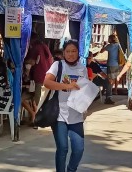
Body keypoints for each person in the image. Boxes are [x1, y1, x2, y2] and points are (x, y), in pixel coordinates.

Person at [44, 40, 87, 172]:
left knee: (79, 149)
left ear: (78, 53)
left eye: (73, 51)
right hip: (59, 115)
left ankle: (71, 170)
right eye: (67, 51)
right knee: (62, 148)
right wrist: (67, 86)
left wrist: (85, 104)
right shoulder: (58, 65)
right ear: (63, 53)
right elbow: (47, 82)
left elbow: (85, 89)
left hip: (76, 115)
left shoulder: (82, 68)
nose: (70, 54)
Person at [22, 34, 53, 124]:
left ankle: (34, 118)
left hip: (38, 77)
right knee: (39, 98)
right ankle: (34, 117)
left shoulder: (36, 48)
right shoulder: (45, 47)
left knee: (36, 99)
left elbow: (31, 61)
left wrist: (23, 61)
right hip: (47, 76)